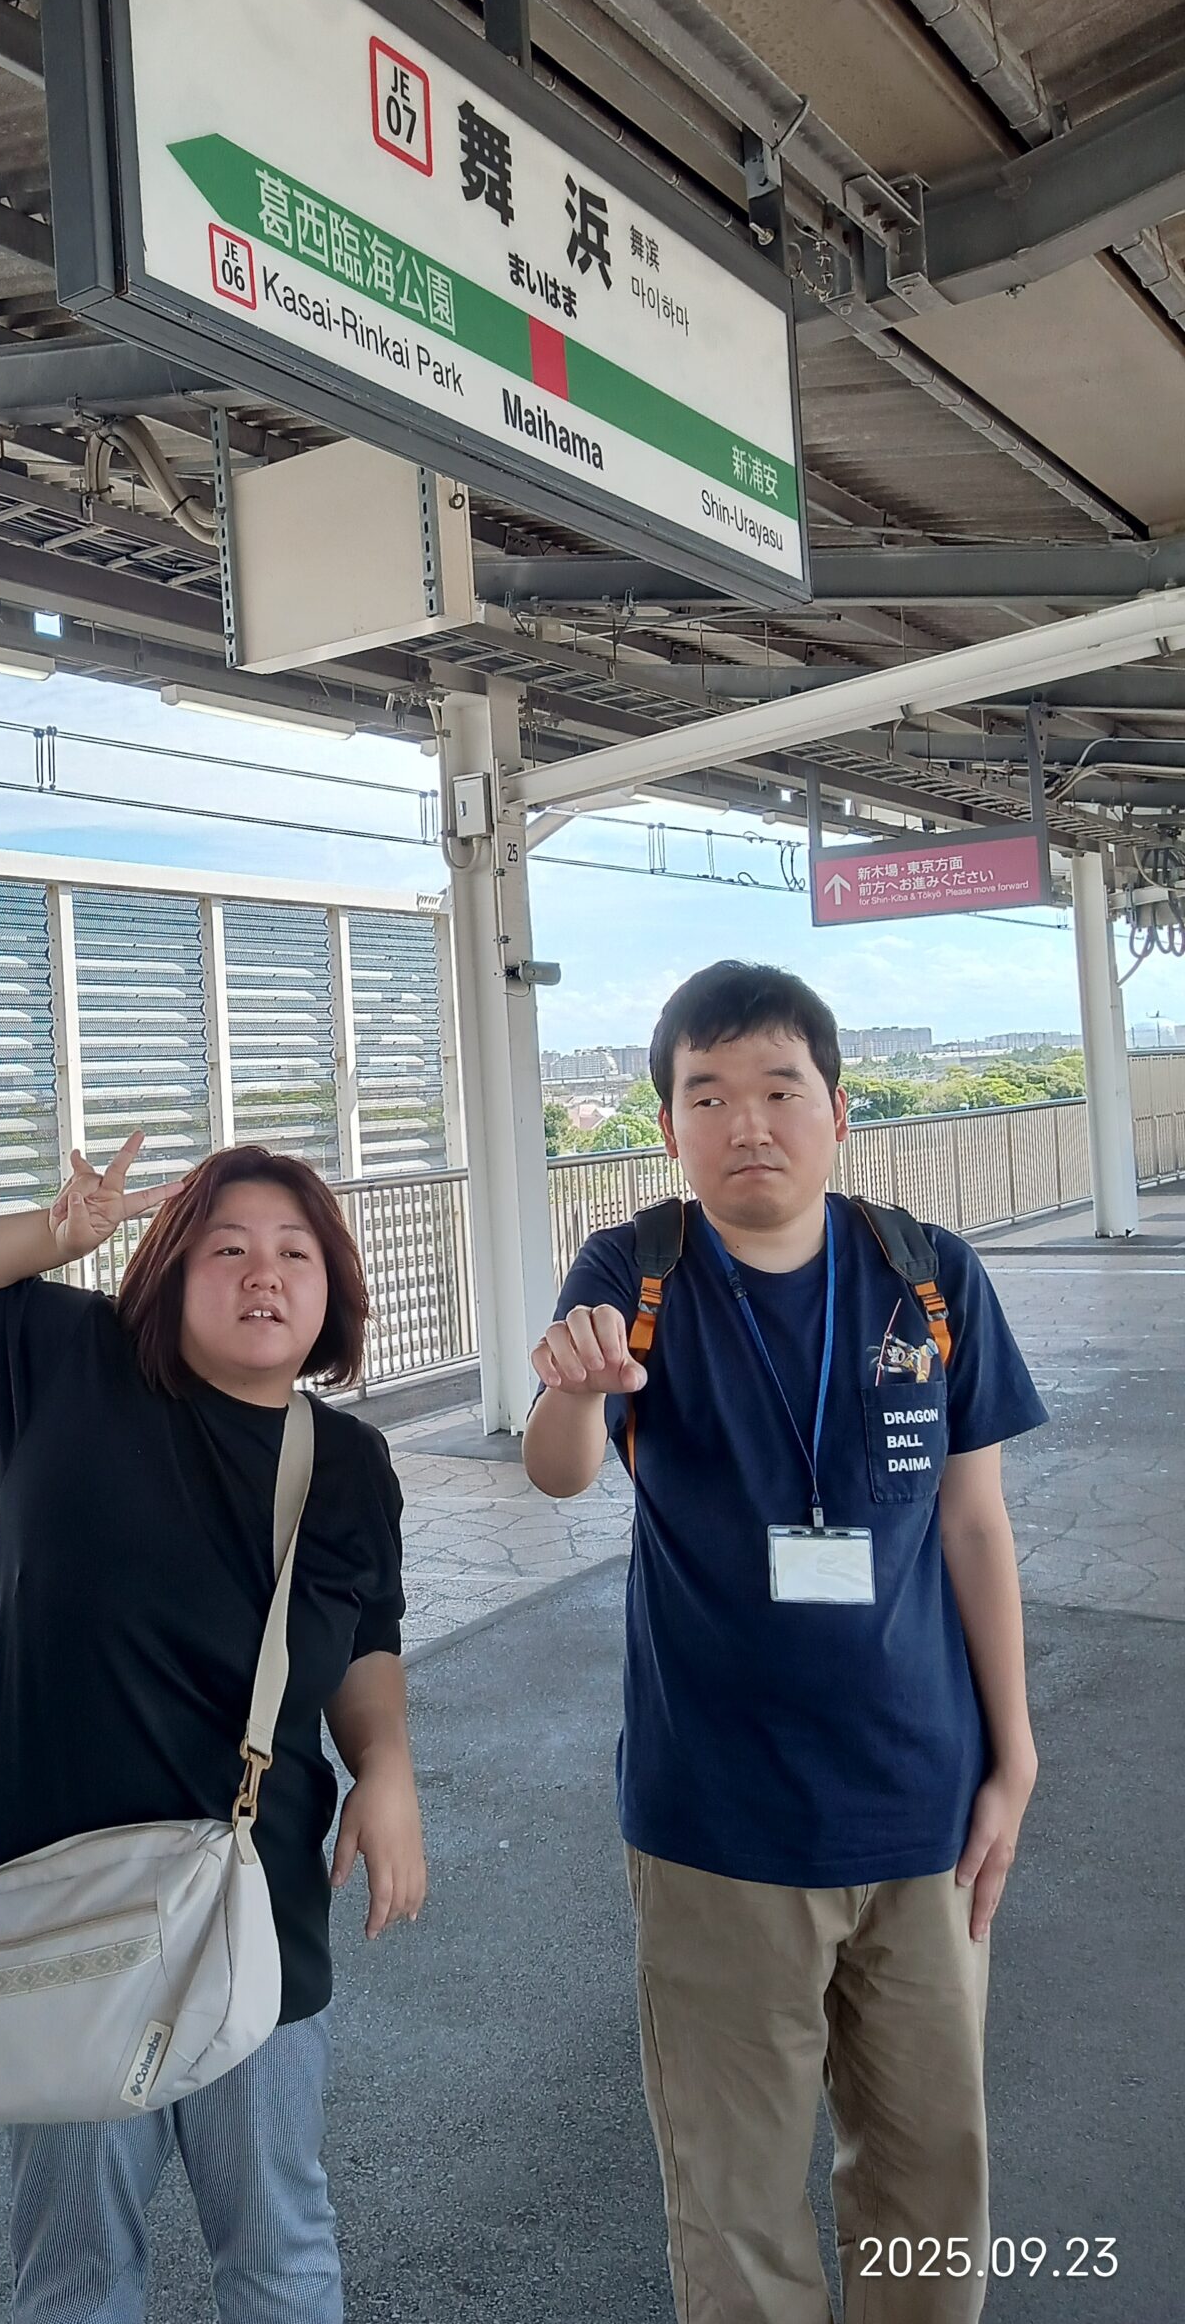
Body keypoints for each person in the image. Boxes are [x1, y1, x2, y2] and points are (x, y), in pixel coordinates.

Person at [524, 963, 1047, 2324]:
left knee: (931, 2181)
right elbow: (560, 1472)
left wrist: (1015, 1755)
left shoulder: (928, 1275)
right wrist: (575, 1386)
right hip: (717, 1821)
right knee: (734, 2202)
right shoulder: (635, 1273)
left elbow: (975, 1527)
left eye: (777, 1089)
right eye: (707, 1096)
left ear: (838, 1110)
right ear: (667, 1126)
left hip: (923, 1810)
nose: (746, 1123)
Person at [0, 1130, 424, 2324]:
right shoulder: (70, 1364)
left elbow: (367, 1638)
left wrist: (386, 1766)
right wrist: (56, 1233)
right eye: (226, 1248)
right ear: (170, 1273)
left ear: (331, 1287)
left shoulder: (348, 1463)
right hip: (56, 1908)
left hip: (256, 1911)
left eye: (294, 1251)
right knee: (77, 2272)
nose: (263, 1272)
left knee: (278, 2248)